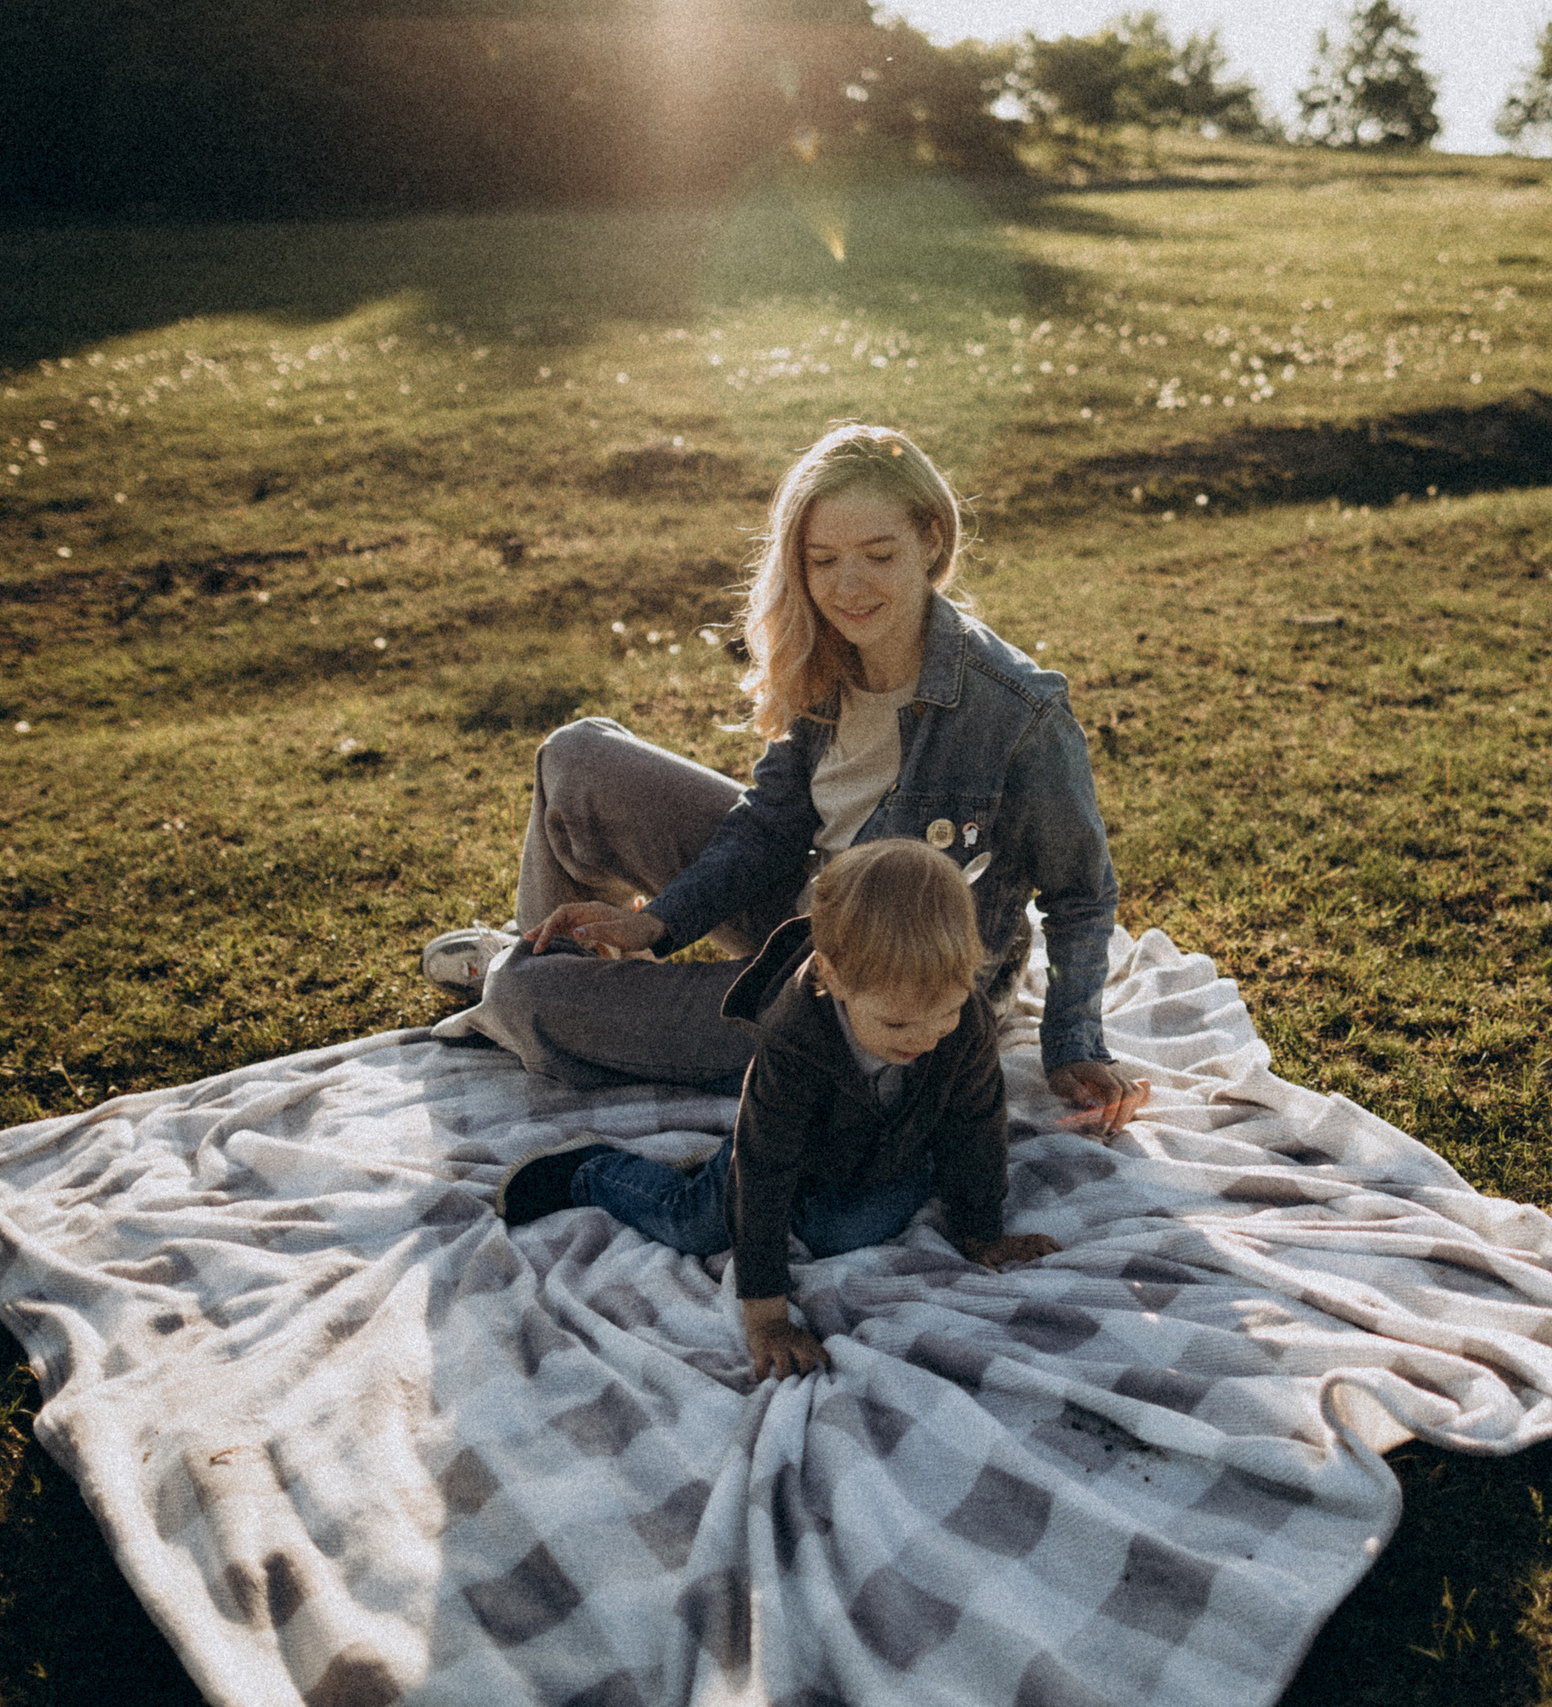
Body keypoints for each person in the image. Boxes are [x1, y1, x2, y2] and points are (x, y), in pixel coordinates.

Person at [425, 422, 1146, 1135]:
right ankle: (569, 960)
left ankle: (522, 984)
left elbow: (1082, 894)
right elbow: (770, 824)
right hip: (806, 909)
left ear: (931, 539)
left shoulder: (1018, 710)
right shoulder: (827, 654)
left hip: (871, 998)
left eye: (877, 554)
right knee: (576, 755)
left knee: (524, 993)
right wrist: (659, 919)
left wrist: (1074, 1045)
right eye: (823, 560)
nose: (848, 585)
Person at [496, 840, 1057, 1380]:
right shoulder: (795, 1042)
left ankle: (736, 1175)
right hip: (783, 1152)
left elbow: (976, 1123)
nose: (929, 1037)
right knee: (699, 1223)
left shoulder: (964, 1021)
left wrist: (983, 1231)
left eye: (948, 1011)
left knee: (851, 1228)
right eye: (896, 1024)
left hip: (879, 1153)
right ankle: (593, 1172)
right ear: (833, 976)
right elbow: (765, 1170)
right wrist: (766, 1316)